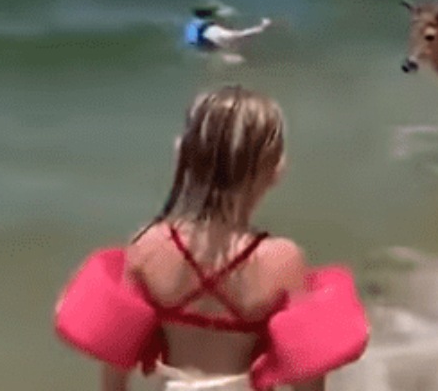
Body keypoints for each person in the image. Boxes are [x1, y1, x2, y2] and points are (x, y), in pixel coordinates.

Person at [103, 86, 324, 391]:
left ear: (183, 157)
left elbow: (114, 366)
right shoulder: (282, 260)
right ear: (276, 170)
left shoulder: (148, 247)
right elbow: (307, 377)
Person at [184, 5, 272, 64]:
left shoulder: (196, 26)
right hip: (209, 49)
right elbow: (242, 34)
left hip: (200, 46)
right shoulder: (222, 33)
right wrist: (263, 26)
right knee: (240, 59)